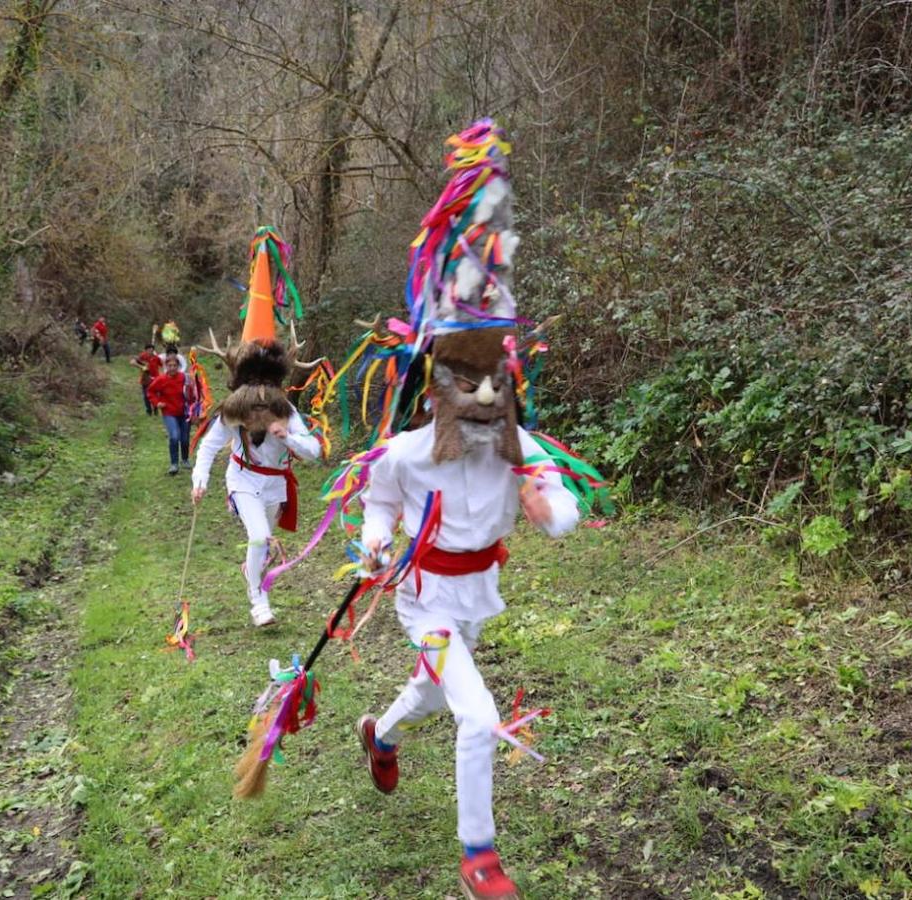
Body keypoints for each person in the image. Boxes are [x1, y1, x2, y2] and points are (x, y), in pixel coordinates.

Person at [352, 120, 581, 900]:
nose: (485, 396)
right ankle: (478, 855)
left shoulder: (521, 447)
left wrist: (546, 507)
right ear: (439, 384)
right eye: (468, 381)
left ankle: (378, 735)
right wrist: (375, 542)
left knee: (428, 694)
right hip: (425, 600)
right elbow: (379, 505)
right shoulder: (407, 453)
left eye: (496, 382)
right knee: (475, 714)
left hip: (478, 597)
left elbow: (563, 508)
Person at [190, 226, 321, 628]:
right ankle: (258, 601)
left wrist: (289, 437)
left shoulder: (286, 411)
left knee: (261, 541)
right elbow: (209, 445)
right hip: (242, 481)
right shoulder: (234, 411)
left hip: (275, 487)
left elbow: (315, 452)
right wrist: (200, 479)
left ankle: (253, 571)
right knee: (260, 537)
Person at [147, 355, 196, 474]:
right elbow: (150, 392)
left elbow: (192, 393)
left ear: (178, 366)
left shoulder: (184, 378)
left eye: (175, 365)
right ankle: (174, 464)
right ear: (166, 366)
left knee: (185, 439)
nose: (172, 368)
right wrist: (157, 403)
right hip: (169, 413)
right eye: (170, 365)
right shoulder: (161, 379)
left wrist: (194, 409)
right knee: (174, 436)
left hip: (184, 413)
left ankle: (185, 460)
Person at [132, 343, 162, 415]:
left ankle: (155, 409)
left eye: (151, 350)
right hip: (145, 378)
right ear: (145, 350)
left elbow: (162, 364)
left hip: (155, 378)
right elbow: (132, 362)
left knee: (155, 395)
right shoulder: (142, 356)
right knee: (146, 396)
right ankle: (149, 411)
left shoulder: (156, 357)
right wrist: (141, 367)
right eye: (148, 350)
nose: (150, 352)